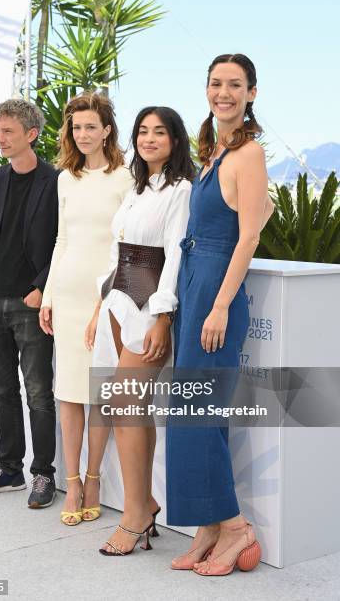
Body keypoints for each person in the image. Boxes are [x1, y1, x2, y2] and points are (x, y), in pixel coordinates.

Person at [166, 54, 275, 576]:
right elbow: (259, 212)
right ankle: (208, 525)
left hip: (215, 292)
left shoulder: (248, 153)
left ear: (251, 93)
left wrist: (220, 306)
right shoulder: (214, 152)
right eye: (216, 83)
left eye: (235, 85)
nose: (223, 93)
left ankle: (234, 528)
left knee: (201, 413)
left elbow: (249, 234)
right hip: (195, 284)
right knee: (187, 411)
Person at [87, 106, 195, 555]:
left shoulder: (182, 189)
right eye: (143, 131)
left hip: (150, 307)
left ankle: (135, 515)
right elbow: (117, 253)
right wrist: (99, 307)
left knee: (126, 402)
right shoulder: (136, 188)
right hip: (116, 303)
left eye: (160, 132)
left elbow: (174, 255)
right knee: (132, 406)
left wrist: (163, 316)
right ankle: (143, 502)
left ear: (175, 140)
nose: (150, 139)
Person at [39, 92, 132, 526]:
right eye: (76, 127)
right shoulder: (66, 178)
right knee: (69, 393)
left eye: (91, 126)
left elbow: (125, 248)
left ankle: (94, 478)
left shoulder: (125, 178)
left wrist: (102, 304)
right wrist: (52, 295)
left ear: (108, 130)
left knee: (100, 393)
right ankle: (71, 481)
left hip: (105, 298)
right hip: (68, 296)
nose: (83, 134)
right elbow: (62, 241)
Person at [0, 99, 59, 508]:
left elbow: (63, 240)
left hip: (30, 302)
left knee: (39, 392)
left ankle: (44, 474)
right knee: (1, 389)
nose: (0, 138)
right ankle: (9, 469)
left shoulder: (55, 181)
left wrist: (42, 286)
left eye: (7, 131)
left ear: (31, 134)